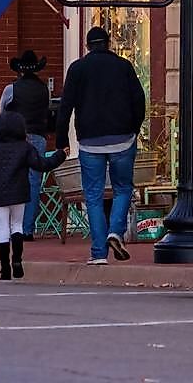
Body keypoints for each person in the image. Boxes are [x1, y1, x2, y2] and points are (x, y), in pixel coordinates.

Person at [54, 25, 146, 264]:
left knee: (93, 196)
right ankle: (115, 231)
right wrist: (134, 129)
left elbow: (65, 108)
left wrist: (62, 141)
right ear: (108, 44)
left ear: (87, 46)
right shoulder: (123, 66)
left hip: (89, 141)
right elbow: (139, 99)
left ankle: (98, 253)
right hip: (122, 139)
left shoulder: (78, 69)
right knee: (123, 188)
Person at [0, 108, 63, 281]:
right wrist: (60, 155)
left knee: (3, 230)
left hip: (0, 195)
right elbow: (42, 164)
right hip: (19, 192)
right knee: (17, 226)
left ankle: (4, 269)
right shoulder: (25, 148)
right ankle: (17, 261)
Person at [2, 49, 51, 136]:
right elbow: (46, 110)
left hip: (17, 136)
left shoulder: (11, 89)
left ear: (21, 71)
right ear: (37, 70)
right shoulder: (45, 89)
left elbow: (2, 112)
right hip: (38, 134)